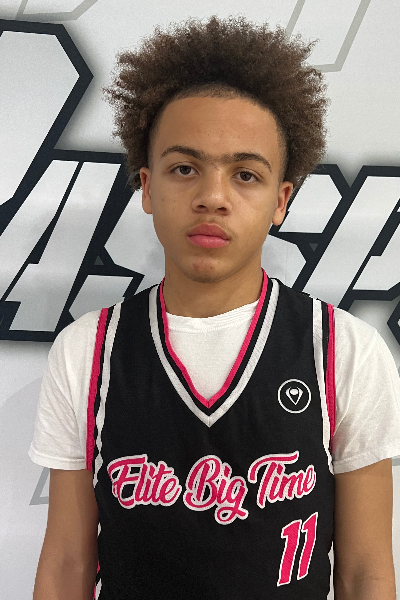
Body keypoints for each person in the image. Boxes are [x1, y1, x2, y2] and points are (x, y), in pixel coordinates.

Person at [29, 15, 400, 600]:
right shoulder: (88, 351)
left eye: (245, 174)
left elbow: (365, 572)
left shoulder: (343, 350)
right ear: (147, 186)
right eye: (185, 168)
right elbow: (67, 563)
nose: (213, 197)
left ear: (280, 200)